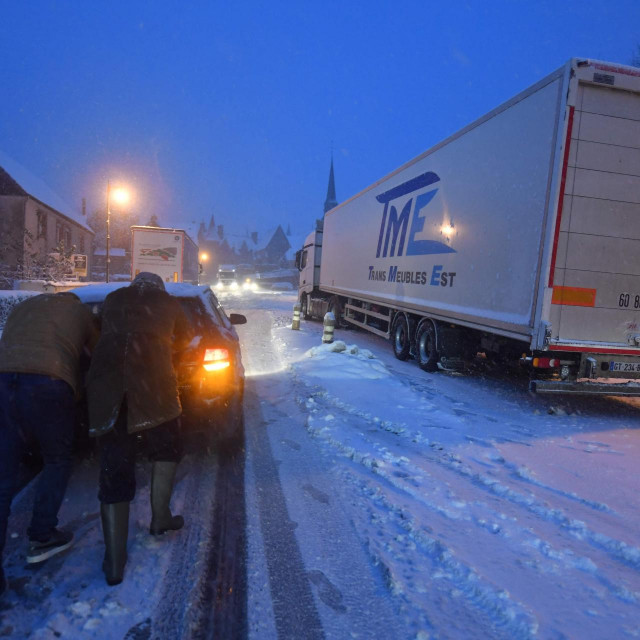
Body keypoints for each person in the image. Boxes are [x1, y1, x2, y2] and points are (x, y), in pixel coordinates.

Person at [87, 272, 191, 586]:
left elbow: (98, 333)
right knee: (167, 446)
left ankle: (115, 562)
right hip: (155, 385)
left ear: (133, 285)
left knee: (115, 464)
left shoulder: (113, 299)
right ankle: (161, 517)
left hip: (107, 387)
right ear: (159, 287)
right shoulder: (169, 303)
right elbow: (184, 340)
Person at [0, 291, 99, 598]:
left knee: (4, 471)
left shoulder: (26, 306)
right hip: (49, 382)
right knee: (56, 458)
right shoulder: (81, 313)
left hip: (4, 380)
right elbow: (96, 357)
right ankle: (42, 535)